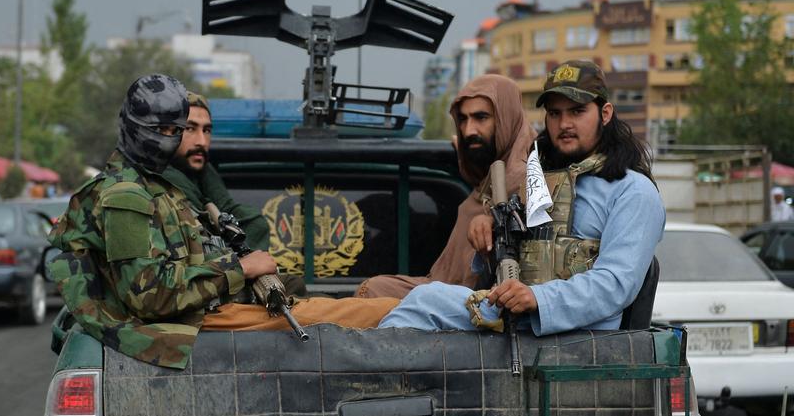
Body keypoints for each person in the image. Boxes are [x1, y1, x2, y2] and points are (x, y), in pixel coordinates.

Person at [47, 73, 397, 370]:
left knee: (335, 304)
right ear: (134, 126)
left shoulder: (151, 184)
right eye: (162, 128)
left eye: (175, 129)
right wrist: (240, 269)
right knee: (369, 314)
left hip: (199, 313)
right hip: (187, 323)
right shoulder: (126, 194)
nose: (169, 138)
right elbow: (148, 296)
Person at [380, 60, 665, 335]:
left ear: (605, 114)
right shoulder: (542, 178)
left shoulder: (634, 191)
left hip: (579, 335)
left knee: (425, 302)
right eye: (554, 114)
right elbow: (515, 258)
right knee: (418, 299)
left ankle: (363, 380)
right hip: (521, 319)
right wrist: (487, 233)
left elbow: (616, 284)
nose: (564, 123)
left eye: (577, 112)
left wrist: (538, 299)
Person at [357, 75, 538, 298]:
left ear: (506, 118)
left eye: (481, 118)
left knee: (372, 293)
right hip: (442, 290)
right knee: (374, 289)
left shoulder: (527, 179)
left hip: (471, 306)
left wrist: (491, 221)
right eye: (463, 119)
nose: (469, 130)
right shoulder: (490, 174)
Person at [161, 92, 271, 250]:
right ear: (168, 132)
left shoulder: (202, 172)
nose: (202, 142)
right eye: (190, 129)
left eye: (206, 130)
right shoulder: (161, 177)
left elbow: (227, 208)